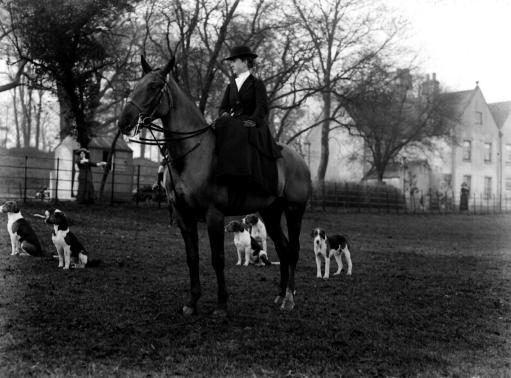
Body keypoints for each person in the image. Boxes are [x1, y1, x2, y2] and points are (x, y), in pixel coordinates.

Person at [214, 45, 281, 208]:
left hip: (251, 123)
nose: (231, 64)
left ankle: (243, 180)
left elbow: (262, 107)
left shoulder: (257, 84)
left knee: (238, 132)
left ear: (244, 62)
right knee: (217, 128)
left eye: (234, 61)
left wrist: (252, 120)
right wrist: (223, 114)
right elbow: (223, 107)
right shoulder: (231, 85)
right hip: (233, 123)